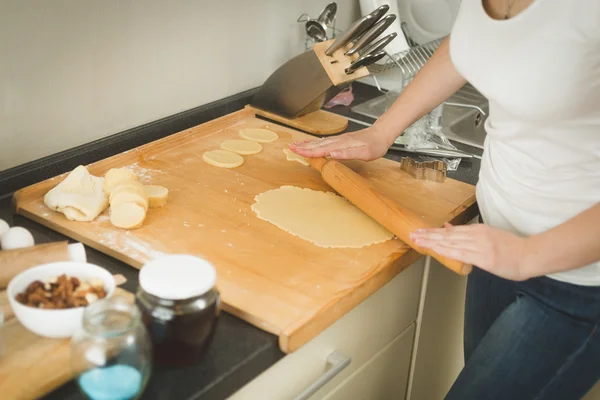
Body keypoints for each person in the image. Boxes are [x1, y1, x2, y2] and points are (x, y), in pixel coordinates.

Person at [290, 0, 600, 399]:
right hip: (495, 244)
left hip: (576, 282)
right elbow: (465, 46)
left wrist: (528, 256)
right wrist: (381, 132)